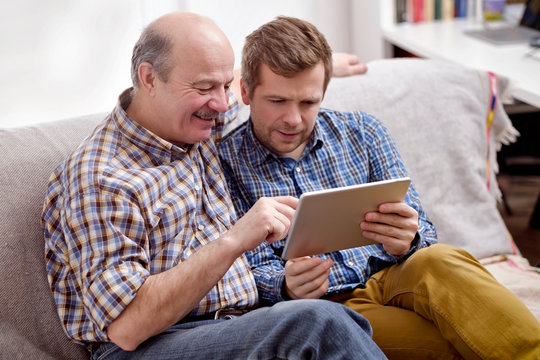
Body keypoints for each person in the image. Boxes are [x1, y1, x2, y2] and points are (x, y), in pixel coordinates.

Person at [41, 12, 387, 360]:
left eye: (223, 87)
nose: (222, 104)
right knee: (317, 323)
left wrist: (319, 73)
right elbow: (127, 326)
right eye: (206, 87)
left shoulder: (192, 124)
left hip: (235, 327)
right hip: (147, 346)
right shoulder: (101, 178)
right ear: (149, 78)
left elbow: (246, 84)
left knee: (348, 322)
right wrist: (235, 239)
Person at [218, 16, 540, 360]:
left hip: (398, 272)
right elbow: (238, 274)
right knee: (461, 341)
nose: (294, 119)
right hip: (331, 304)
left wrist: (409, 239)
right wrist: (285, 285)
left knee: (440, 257)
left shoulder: (364, 132)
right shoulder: (224, 165)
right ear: (246, 92)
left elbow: (424, 234)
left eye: (308, 102)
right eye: (278, 102)